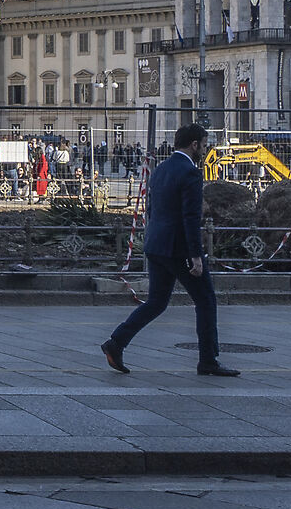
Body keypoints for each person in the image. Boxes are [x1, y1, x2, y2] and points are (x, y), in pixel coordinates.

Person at [101, 123, 240, 378]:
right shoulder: (191, 173)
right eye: (204, 145)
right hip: (179, 249)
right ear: (194, 144)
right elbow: (191, 217)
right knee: (206, 300)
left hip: (156, 245)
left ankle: (116, 342)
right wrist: (195, 256)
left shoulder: (161, 169)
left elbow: (152, 209)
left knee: (156, 302)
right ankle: (208, 360)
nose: (205, 150)